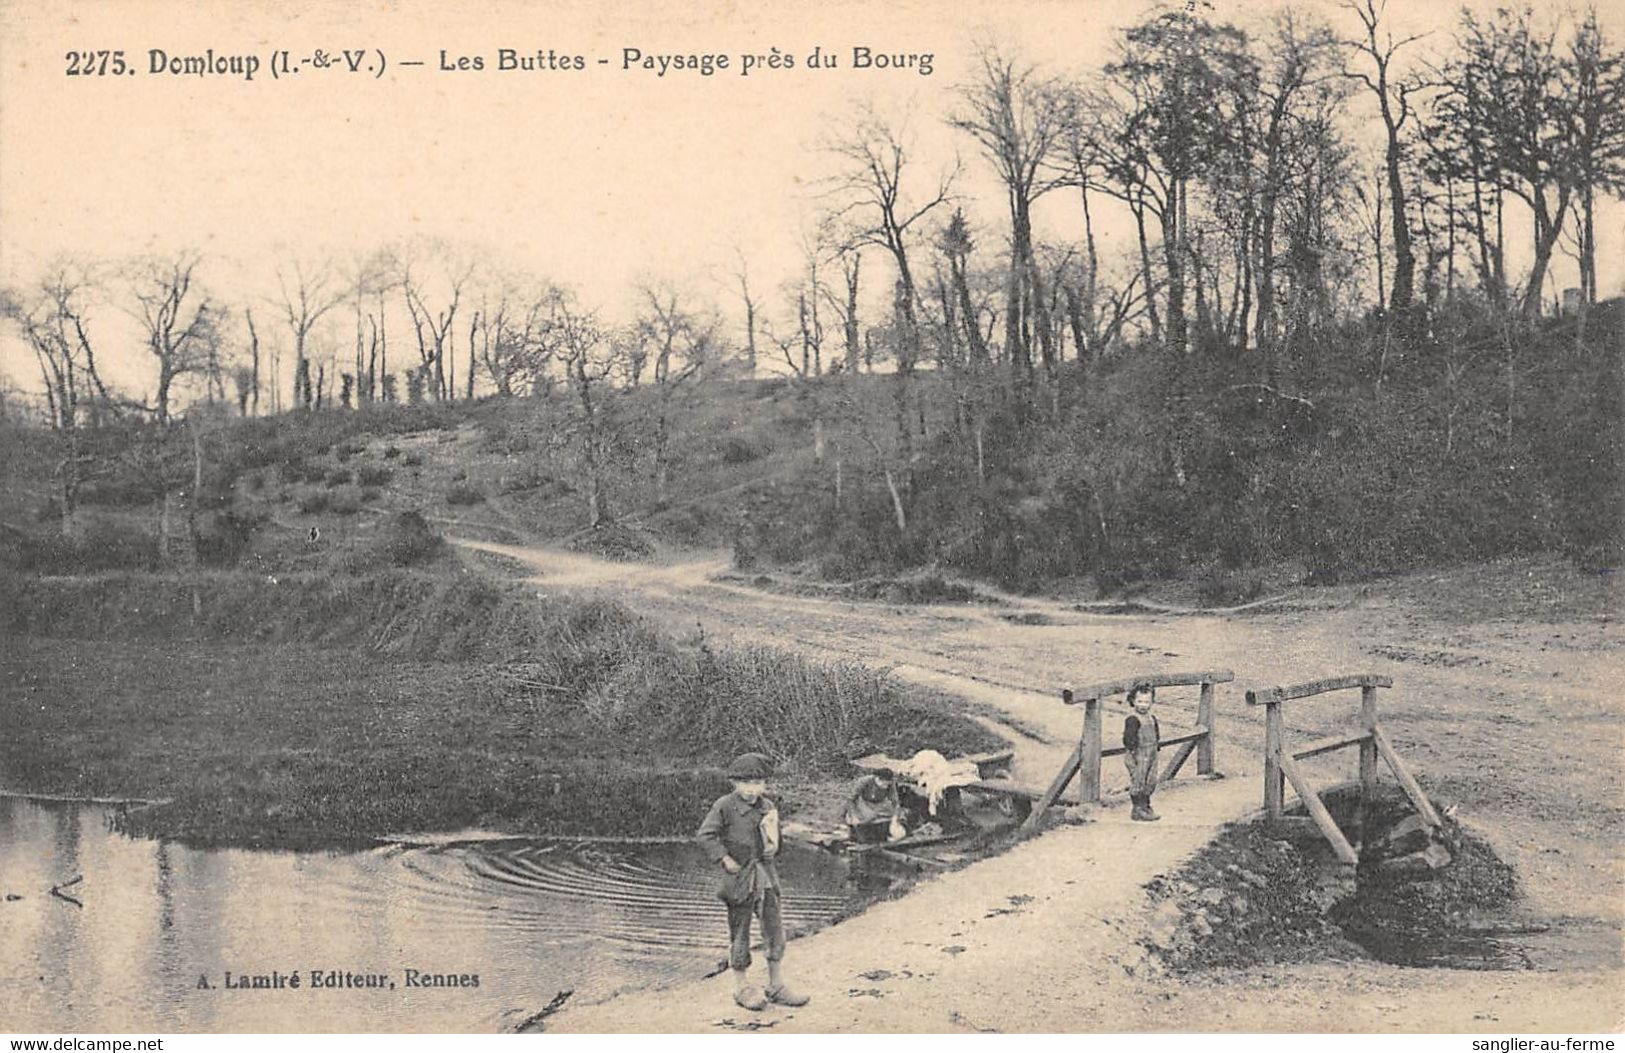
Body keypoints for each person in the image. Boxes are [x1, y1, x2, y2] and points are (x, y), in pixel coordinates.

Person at [695, 752, 811, 1012]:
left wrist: (774, 846)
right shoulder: (724, 806)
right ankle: (741, 987)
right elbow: (706, 835)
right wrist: (725, 859)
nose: (752, 789)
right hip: (739, 877)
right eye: (746, 783)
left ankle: (776, 985)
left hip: (766, 875)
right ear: (734, 783)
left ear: (764, 784)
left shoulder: (767, 807)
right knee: (740, 930)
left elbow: (774, 838)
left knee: (773, 926)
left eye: (758, 783)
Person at [1123, 684, 1162, 822]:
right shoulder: (1133, 719)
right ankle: (1137, 809)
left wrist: (1157, 747)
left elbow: (1156, 735)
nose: (1143, 705)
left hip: (1151, 753)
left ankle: (1146, 806)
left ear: (1152, 702)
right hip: (1138, 754)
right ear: (1133, 701)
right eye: (1140, 701)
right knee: (1139, 780)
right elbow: (1128, 739)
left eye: (1146, 702)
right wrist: (1132, 750)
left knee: (1150, 780)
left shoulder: (1152, 718)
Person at [843, 768, 907, 844]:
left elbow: (895, 801)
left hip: (880, 804)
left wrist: (895, 819)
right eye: (884, 784)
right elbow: (850, 799)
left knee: (890, 816)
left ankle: (883, 832)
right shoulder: (864, 781)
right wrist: (853, 815)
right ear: (878, 779)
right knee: (863, 819)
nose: (886, 786)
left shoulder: (891, 783)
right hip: (864, 802)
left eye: (888, 784)